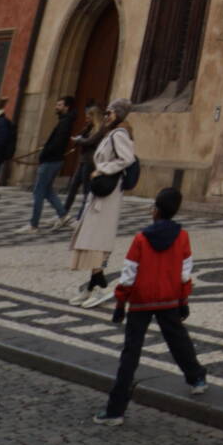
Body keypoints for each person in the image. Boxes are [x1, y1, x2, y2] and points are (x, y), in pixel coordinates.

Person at [95, 186, 208, 422]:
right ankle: (196, 377)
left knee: (131, 354)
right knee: (178, 339)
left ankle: (115, 410)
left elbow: (129, 274)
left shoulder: (141, 238)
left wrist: (120, 302)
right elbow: (185, 272)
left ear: (155, 210)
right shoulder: (182, 237)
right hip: (168, 299)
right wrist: (183, 299)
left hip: (141, 301)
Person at [70, 104, 137, 305]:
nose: (106, 116)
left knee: (96, 239)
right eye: (106, 112)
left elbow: (127, 158)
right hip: (102, 192)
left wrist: (103, 170)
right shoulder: (111, 133)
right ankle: (92, 286)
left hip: (108, 192)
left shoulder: (119, 134)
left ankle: (99, 287)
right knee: (91, 238)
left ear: (118, 114)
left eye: (110, 112)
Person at [27, 95, 76, 232]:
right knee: (48, 191)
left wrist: (45, 153)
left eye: (59, 105)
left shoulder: (65, 123)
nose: (56, 107)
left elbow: (58, 143)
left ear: (66, 107)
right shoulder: (65, 121)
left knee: (38, 192)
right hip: (54, 159)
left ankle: (33, 224)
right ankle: (64, 216)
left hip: (51, 160)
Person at [61, 102, 105, 218]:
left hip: (90, 162)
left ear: (94, 116)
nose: (87, 119)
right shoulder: (89, 128)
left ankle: (81, 217)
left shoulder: (99, 129)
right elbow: (82, 137)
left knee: (86, 190)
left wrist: (79, 140)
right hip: (83, 160)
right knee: (73, 187)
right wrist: (81, 134)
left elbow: (90, 141)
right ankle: (63, 213)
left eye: (88, 117)